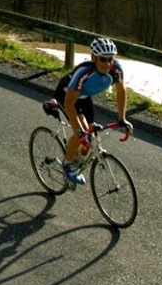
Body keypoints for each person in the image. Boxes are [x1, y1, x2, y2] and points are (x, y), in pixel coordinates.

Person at [54, 37, 132, 184]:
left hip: (84, 96)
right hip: (67, 96)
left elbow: (121, 92)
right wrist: (78, 131)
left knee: (90, 133)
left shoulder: (116, 69)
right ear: (93, 58)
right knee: (81, 132)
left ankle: (78, 154)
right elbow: (69, 104)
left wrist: (122, 118)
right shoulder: (83, 73)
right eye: (103, 59)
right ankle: (68, 163)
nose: (108, 64)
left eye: (111, 59)